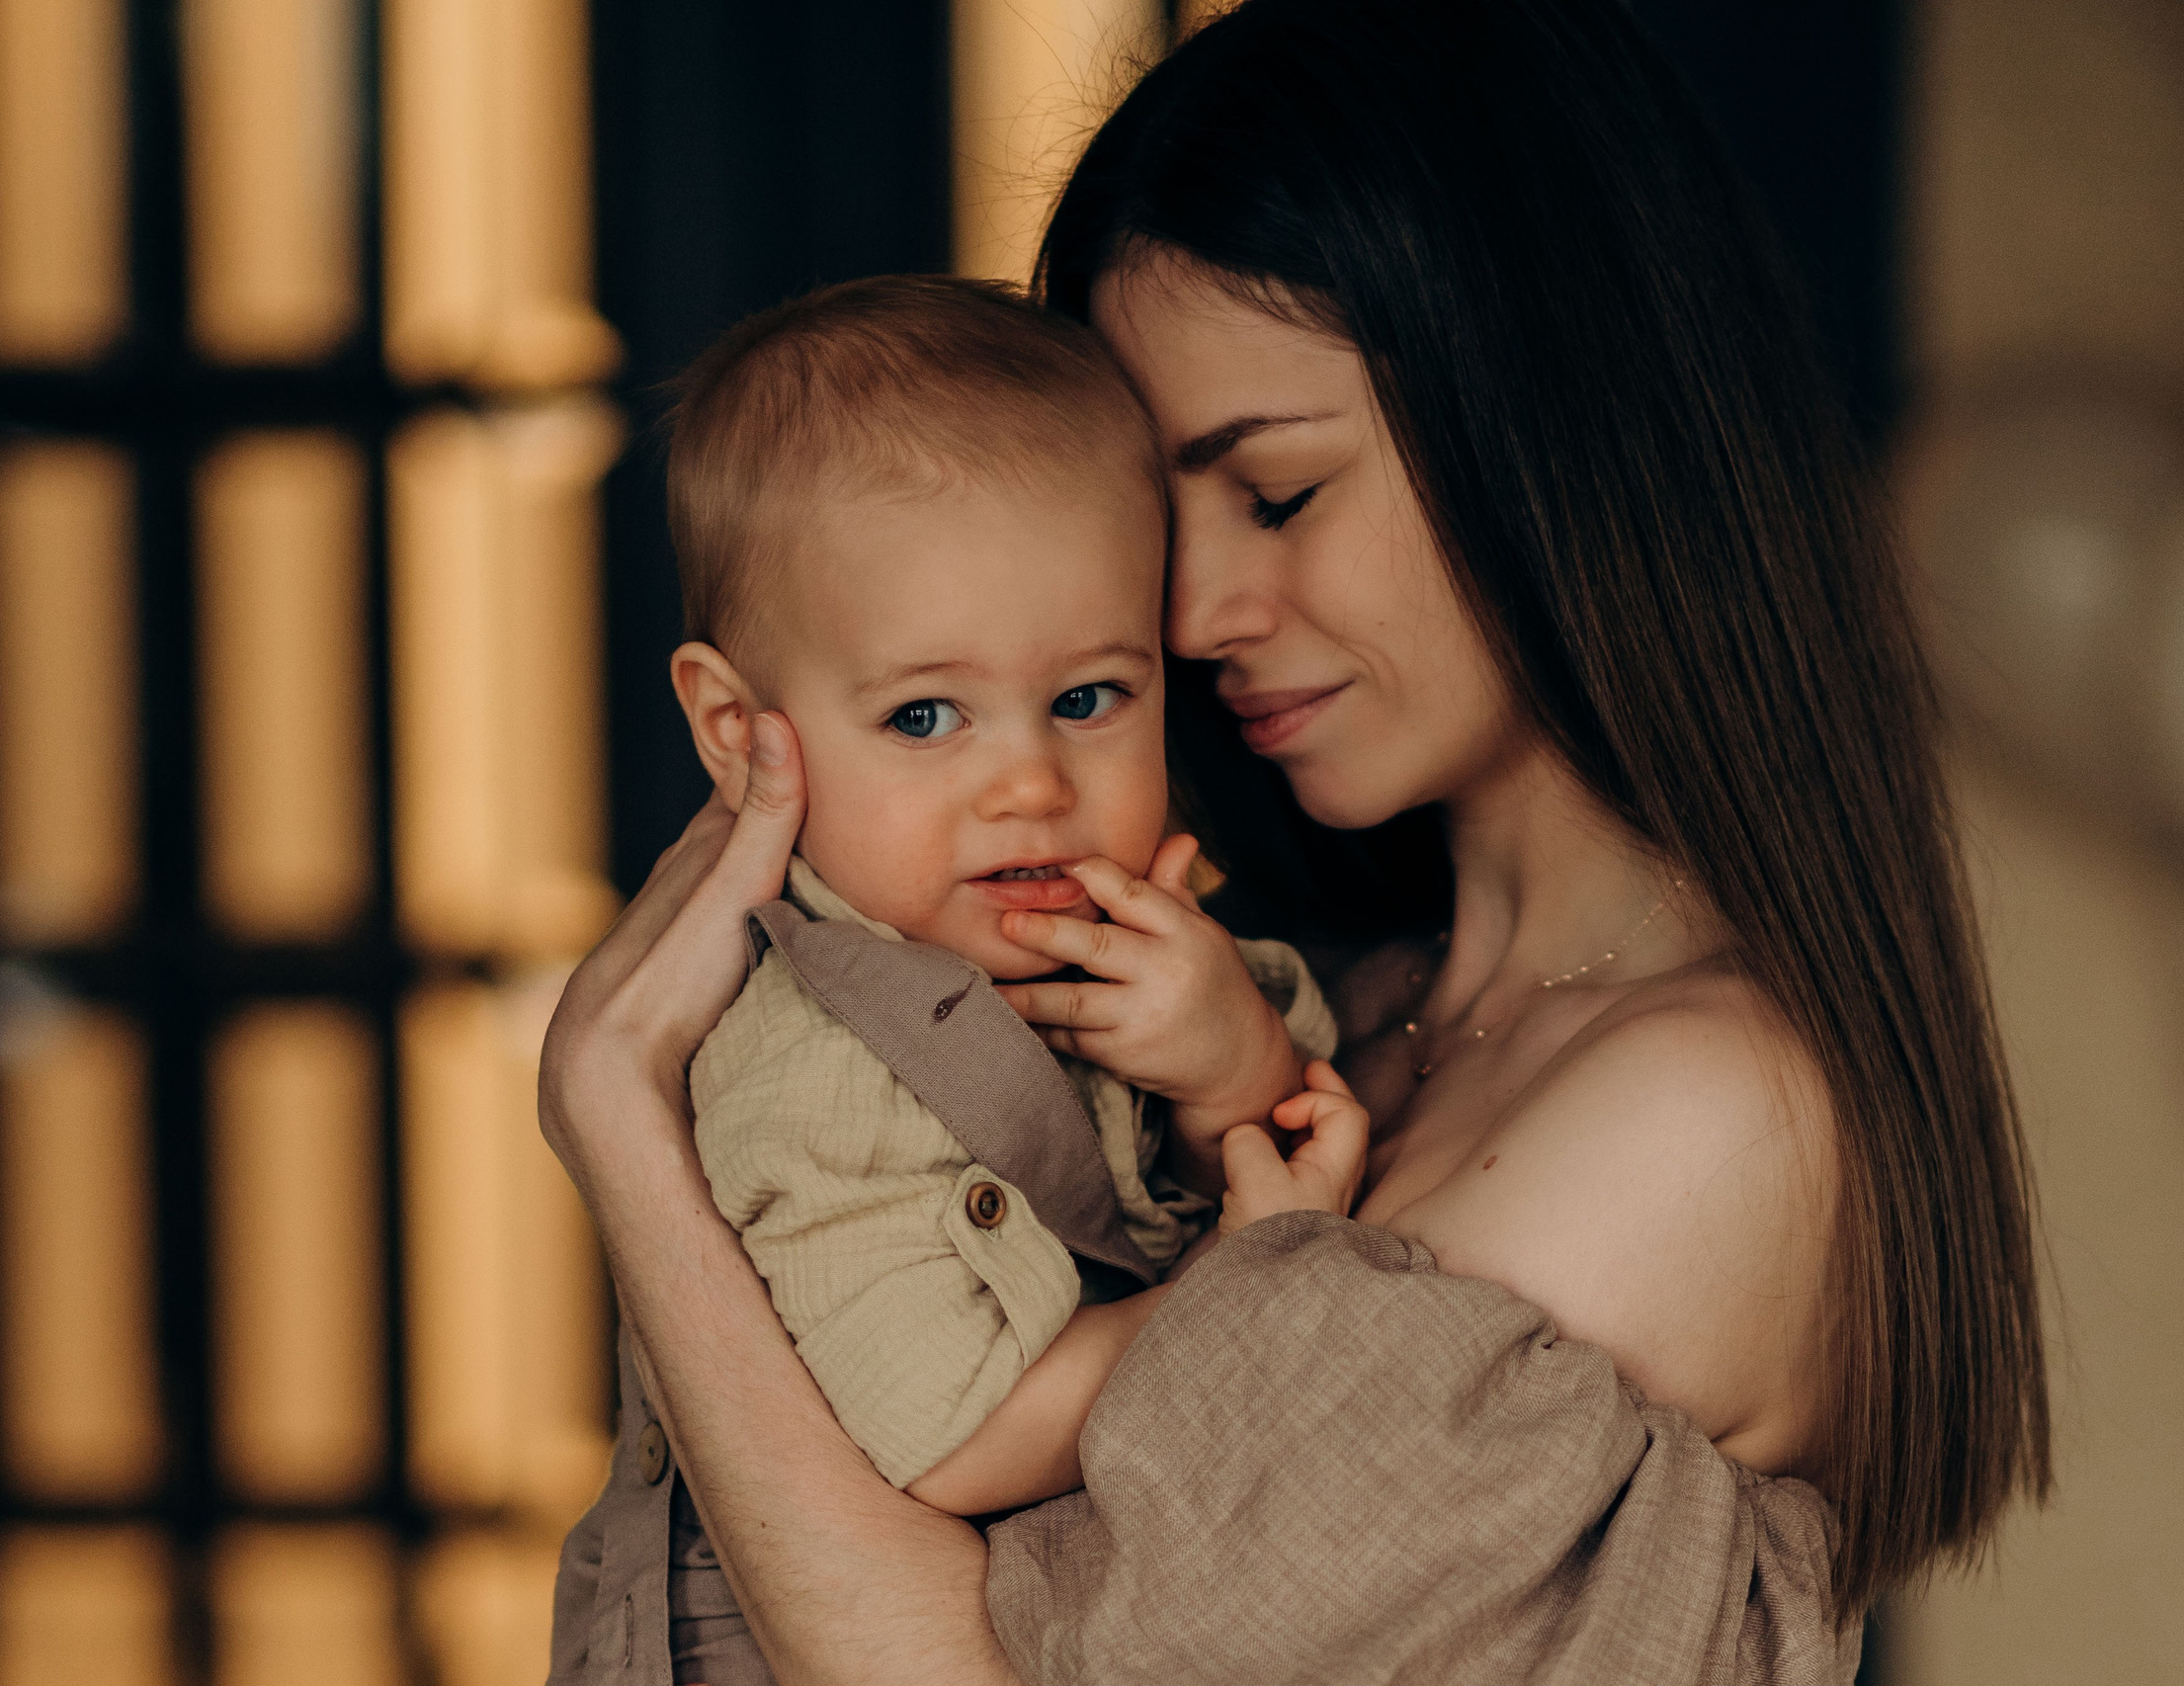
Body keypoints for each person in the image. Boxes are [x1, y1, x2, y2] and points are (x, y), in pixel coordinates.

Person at [538, 1, 2052, 1681]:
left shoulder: (1703, 1117)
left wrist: (625, 1132)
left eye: (1275, 495)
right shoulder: (1329, 995)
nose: (1187, 610)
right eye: (1157, 527)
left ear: (1548, 427)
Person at [545, 276, 1375, 1685]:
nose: (1032, 784)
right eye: (927, 716)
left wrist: (1228, 1064)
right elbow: (944, 1436)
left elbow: (1231, 1156)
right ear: (741, 732)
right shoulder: (809, 1061)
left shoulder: (1112, 936)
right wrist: (1240, 1296)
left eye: (1089, 698)